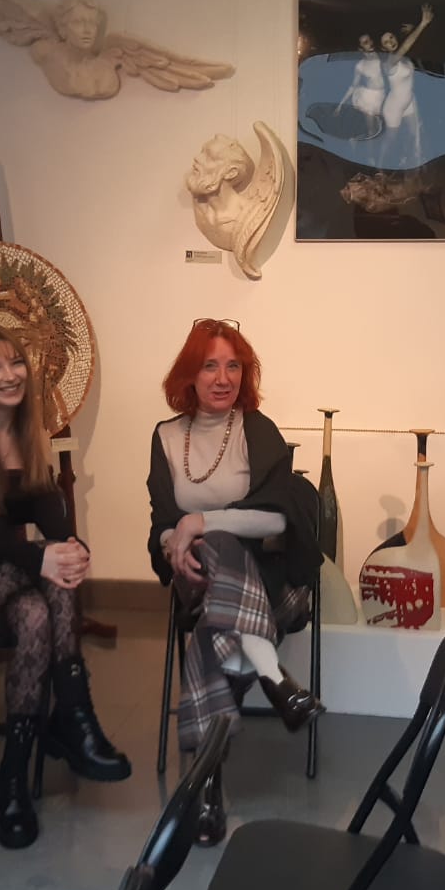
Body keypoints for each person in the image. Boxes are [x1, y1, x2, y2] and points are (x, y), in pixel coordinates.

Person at [0, 323, 130, 851]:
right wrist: (45, 557)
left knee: (37, 613)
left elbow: (54, 520)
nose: (9, 375)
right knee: (43, 568)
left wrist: (74, 550)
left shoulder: (28, 433)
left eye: (15, 363)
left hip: (8, 583)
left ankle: (12, 778)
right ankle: (74, 716)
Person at [147, 319, 323, 845]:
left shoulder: (256, 429)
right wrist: (176, 542)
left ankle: (208, 787)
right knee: (213, 550)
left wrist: (200, 522)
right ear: (189, 374)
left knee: (213, 630)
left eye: (233, 366)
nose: (223, 378)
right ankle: (273, 677)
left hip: (267, 583)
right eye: (210, 366)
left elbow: (277, 519)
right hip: (195, 578)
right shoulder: (166, 436)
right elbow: (161, 522)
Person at [379, 5, 434, 169]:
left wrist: (412, 30)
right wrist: (422, 25)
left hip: (409, 101)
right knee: (390, 140)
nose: (391, 42)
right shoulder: (389, 62)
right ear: (383, 48)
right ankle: (379, 168)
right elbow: (405, 47)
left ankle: (417, 165)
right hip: (394, 106)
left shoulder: (403, 57)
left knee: (415, 135)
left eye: (391, 37)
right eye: (386, 42)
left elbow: (409, 45)